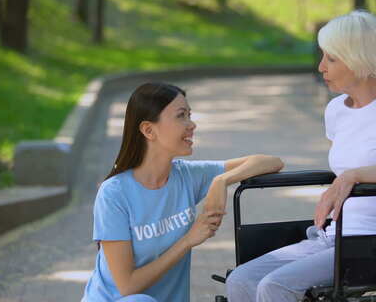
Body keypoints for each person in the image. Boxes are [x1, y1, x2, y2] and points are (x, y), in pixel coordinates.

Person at [225, 10, 376, 302]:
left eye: (331, 59)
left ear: (358, 58)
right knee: (242, 279)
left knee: (275, 287)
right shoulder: (336, 110)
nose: (321, 67)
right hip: (333, 236)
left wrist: (353, 175)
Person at [81, 82, 284, 302]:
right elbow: (127, 287)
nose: (192, 124)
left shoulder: (186, 176)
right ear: (149, 130)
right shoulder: (114, 193)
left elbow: (270, 162)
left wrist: (222, 180)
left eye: (189, 115)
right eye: (181, 116)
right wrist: (188, 240)